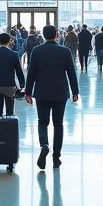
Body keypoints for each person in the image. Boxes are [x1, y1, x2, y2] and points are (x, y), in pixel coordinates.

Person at [25, 24, 79, 170]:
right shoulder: (65, 51)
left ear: (43, 35)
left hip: (41, 92)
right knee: (58, 124)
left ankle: (44, 145)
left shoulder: (37, 50)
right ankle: (56, 158)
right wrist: (75, 91)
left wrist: (28, 92)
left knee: (42, 122)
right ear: (56, 34)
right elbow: (71, 73)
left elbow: (31, 73)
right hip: (60, 93)